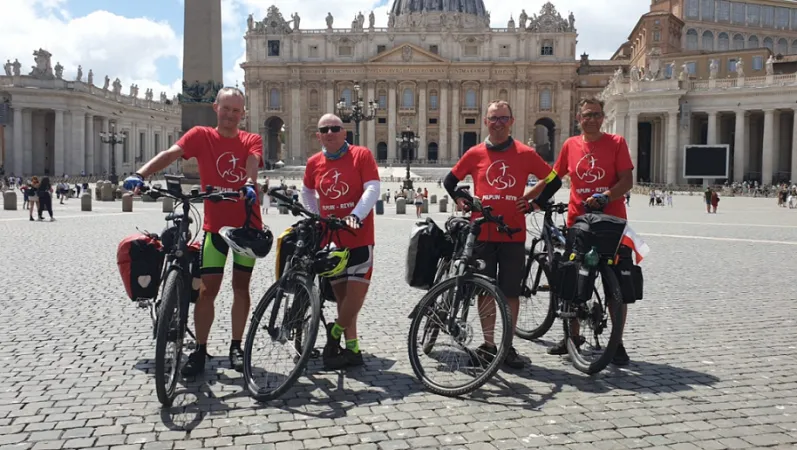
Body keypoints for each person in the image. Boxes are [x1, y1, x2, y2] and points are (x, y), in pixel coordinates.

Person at [123, 87, 262, 376]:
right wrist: (141, 173)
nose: (231, 115)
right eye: (226, 109)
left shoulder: (252, 139)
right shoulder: (201, 135)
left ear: (243, 113)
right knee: (207, 291)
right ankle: (200, 348)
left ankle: (236, 346)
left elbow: (252, 160)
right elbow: (171, 153)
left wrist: (249, 183)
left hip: (246, 228)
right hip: (214, 228)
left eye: (236, 111)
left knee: (241, 288)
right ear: (215, 107)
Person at [444, 100, 562, 369]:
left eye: (503, 118)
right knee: (484, 291)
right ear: (486, 121)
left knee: (510, 292)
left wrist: (536, 202)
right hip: (482, 233)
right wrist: (461, 199)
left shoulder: (525, 153)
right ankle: (489, 345)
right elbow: (450, 181)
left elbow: (554, 178)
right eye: (493, 118)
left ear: (511, 121)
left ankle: (507, 347)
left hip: (513, 233)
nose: (498, 123)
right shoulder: (474, 153)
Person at [546, 97, 634, 366]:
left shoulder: (617, 143)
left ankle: (616, 341)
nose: (592, 119)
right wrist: (533, 198)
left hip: (612, 223)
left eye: (596, 114)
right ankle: (572, 338)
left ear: (603, 117)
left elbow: (627, 180)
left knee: (615, 285)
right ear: (578, 119)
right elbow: (554, 176)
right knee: (572, 281)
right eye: (587, 115)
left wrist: (607, 196)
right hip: (579, 222)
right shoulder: (570, 145)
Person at [301, 113, 381, 370]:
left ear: (345, 132)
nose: (331, 133)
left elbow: (372, 187)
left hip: (359, 235)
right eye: (325, 129)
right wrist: (316, 216)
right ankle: (353, 350)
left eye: (335, 128)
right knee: (343, 297)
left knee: (355, 297)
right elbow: (306, 191)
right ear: (318, 135)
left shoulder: (361, 155)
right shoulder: (314, 162)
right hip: (331, 239)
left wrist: (356, 215)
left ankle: (333, 335)